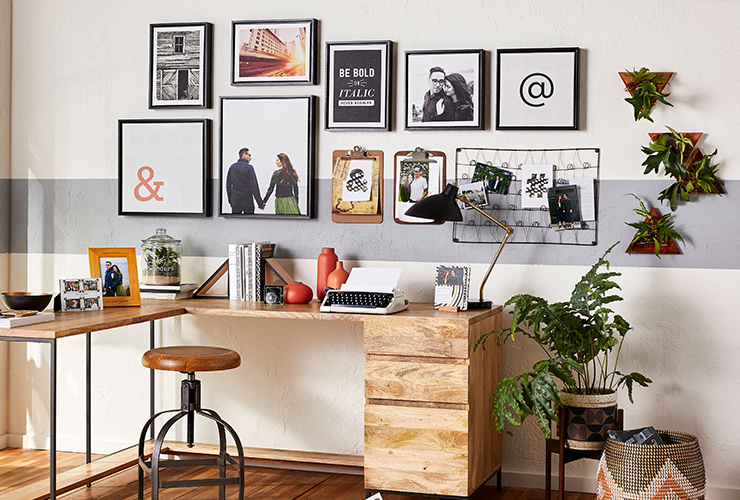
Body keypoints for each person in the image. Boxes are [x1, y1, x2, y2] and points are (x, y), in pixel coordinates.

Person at [226, 148, 265, 215]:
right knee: (249, 222)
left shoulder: (232, 167)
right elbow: (254, 186)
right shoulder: (249, 168)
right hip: (247, 201)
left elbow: (228, 186)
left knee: (236, 222)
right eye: (249, 155)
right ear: (244, 155)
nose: (250, 158)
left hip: (236, 200)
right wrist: (260, 203)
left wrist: (230, 201)